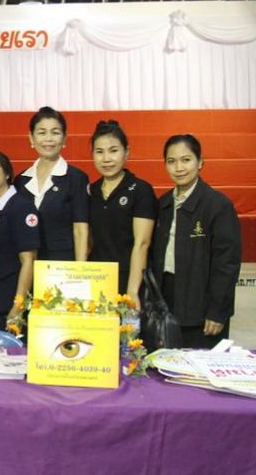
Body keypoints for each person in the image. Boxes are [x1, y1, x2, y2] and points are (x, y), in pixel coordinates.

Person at [151, 134, 242, 348]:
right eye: (171, 161)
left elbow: (226, 264)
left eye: (186, 160)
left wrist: (218, 311)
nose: (179, 168)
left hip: (202, 309)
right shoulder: (163, 204)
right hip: (167, 303)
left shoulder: (217, 205)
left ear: (200, 162)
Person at [88, 121, 156, 304]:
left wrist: (132, 291)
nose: (106, 159)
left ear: (127, 152)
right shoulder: (91, 191)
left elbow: (142, 243)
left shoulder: (140, 190)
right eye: (99, 152)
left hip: (130, 281)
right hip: (98, 281)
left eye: (113, 151)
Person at [0, 149, 40, 331]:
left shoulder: (22, 207)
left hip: (7, 303)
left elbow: (29, 261)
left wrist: (18, 306)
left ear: (7, 172)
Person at [14, 106, 89, 261]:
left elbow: (80, 230)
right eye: (42, 132)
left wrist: (80, 269)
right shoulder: (21, 180)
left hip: (62, 265)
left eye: (55, 132)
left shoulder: (76, 178)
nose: (48, 139)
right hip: (26, 264)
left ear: (64, 138)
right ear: (31, 138)